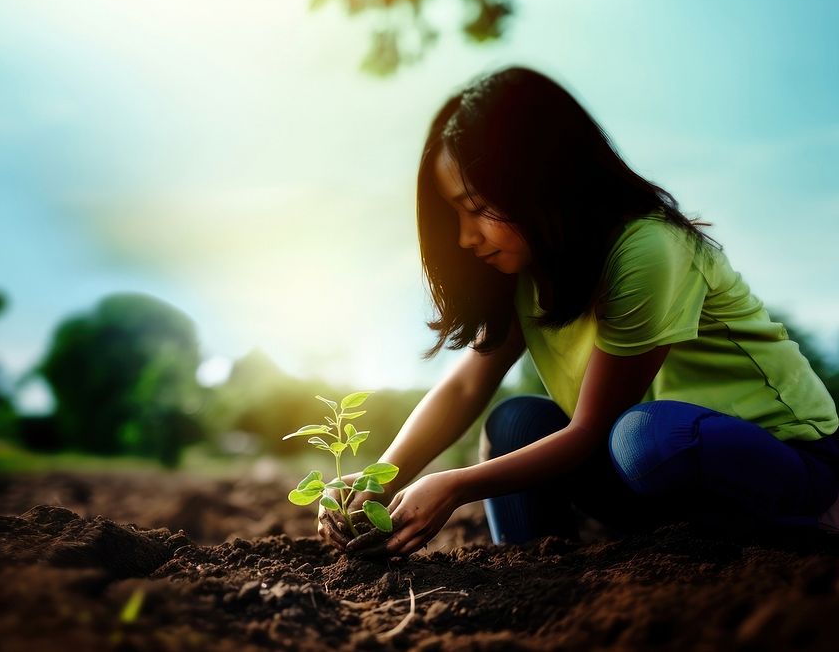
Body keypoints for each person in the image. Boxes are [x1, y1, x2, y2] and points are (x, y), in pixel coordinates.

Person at [318, 66, 839, 557]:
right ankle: (536, 570)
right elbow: (464, 386)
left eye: (477, 208)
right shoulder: (526, 269)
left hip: (784, 464)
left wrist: (455, 485)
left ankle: (814, 522)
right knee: (515, 421)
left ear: (544, 182)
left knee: (647, 436)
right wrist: (378, 480)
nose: (464, 237)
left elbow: (593, 429)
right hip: (651, 477)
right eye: (453, 213)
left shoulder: (647, 248)